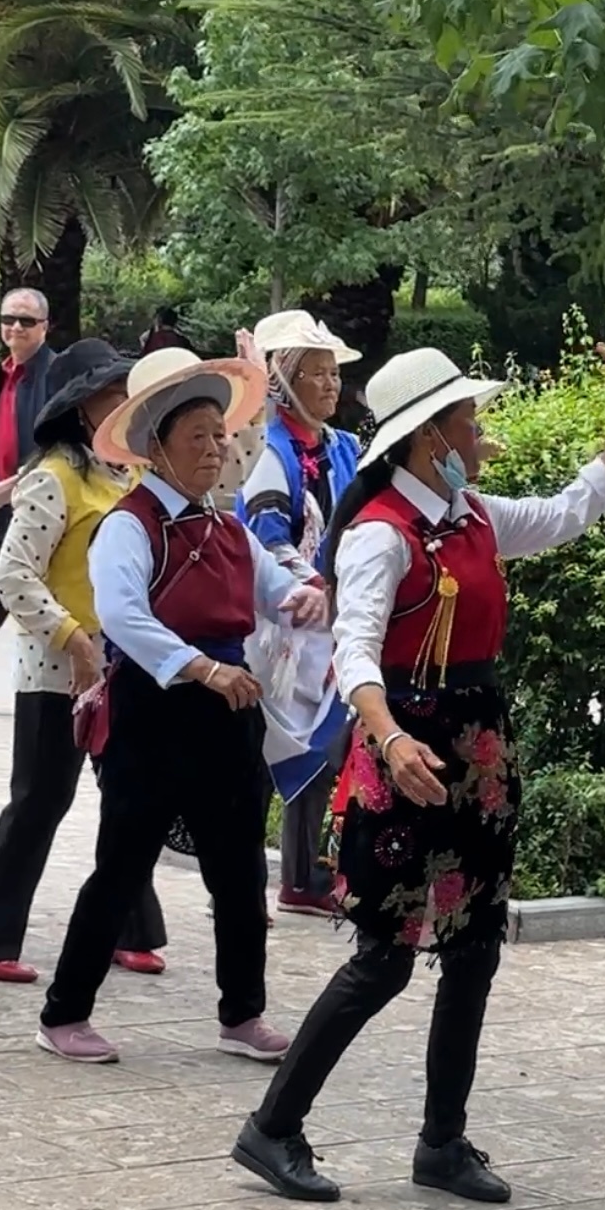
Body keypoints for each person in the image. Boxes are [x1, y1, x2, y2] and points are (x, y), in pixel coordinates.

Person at [230, 338, 605, 1207]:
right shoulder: (381, 534)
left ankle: (442, 1142)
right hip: (410, 752)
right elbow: (354, 648)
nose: (483, 433)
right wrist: (387, 738)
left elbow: (571, 510)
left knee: (474, 949)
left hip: (476, 754)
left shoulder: (474, 516)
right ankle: (272, 1127)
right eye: (471, 419)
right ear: (430, 436)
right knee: (383, 959)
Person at [35, 347, 327, 1065]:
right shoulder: (129, 524)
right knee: (122, 864)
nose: (213, 448)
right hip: (155, 709)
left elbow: (271, 595)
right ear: (156, 448)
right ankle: (63, 1012)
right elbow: (123, 615)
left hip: (229, 712)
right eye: (196, 436)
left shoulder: (227, 527)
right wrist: (199, 668)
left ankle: (243, 1012)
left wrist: (305, 599)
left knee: (238, 871)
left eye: (218, 434)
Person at [0, 341, 167, 983]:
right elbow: (14, 574)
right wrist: (72, 638)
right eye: (112, 395)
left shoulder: (134, 476)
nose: (125, 404)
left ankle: (130, 928)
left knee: (131, 797)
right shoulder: (52, 477)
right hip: (58, 667)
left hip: (126, 663)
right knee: (40, 799)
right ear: (83, 409)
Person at [238, 309, 362, 915]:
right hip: (279, 620)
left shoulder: (345, 448)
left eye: (334, 372)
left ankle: (304, 875)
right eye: (317, 373)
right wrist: (319, 584)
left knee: (323, 745)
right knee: (270, 747)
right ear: (285, 381)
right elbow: (265, 535)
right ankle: (245, 878)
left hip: (329, 615)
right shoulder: (268, 451)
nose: (331, 384)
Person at [0, 289, 53, 646]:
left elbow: (55, 449)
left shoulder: (54, 376)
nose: (16, 327)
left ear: (45, 327)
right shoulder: (2, 373)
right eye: (8, 319)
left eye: (27, 321)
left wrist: (9, 488)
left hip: (32, 509)